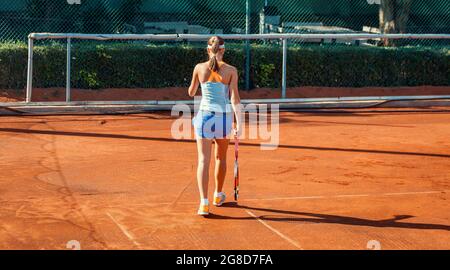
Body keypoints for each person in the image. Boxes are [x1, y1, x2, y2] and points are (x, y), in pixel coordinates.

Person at [188, 36, 242, 216]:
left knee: (203, 160)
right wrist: (239, 123)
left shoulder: (198, 68)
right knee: (221, 158)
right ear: (223, 50)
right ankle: (218, 195)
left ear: (208, 50)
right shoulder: (231, 70)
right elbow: (235, 99)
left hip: (204, 117)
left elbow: (191, 92)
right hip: (224, 118)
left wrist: (200, 82)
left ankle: (203, 203)